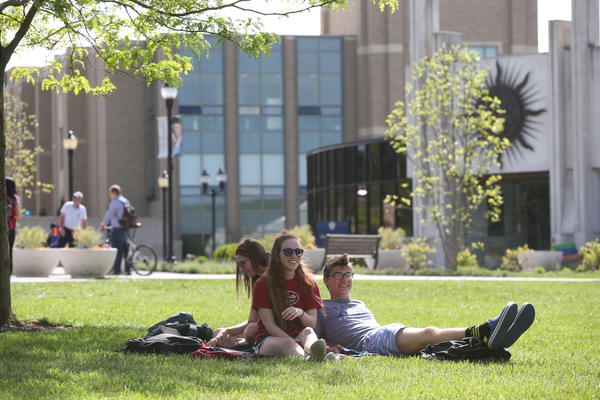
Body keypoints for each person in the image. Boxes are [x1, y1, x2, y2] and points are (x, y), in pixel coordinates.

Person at [316, 254, 536, 356]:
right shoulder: (323, 309)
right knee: (430, 332)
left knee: (434, 343)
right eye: (338, 275)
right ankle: (484, 330)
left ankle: (493, 340)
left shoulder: (359, 303)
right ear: (326, 280)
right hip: (369, 342)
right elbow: (313, 338)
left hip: (382, 334)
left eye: (348, 274)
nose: (344, 279)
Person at [251, 231, 333, 361]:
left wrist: (300, 312)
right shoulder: (263, 284)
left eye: (298, 251)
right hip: (268, 339)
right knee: (288, 344)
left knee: (308, 332)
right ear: (277, 255)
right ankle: (315, 360)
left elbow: (311, 323)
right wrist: (293, 341)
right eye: (288, 252)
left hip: (298, 335)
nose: (294, 255)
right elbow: (270, 326)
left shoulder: (308, 283)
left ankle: (315, 356)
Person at [208, 238, 270, 348]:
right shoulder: (257, 282)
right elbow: (252, 320)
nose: (241, 270)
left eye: (243, 263)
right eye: (238, 265)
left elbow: (256, 325)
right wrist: (226, 331)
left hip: (278, 330)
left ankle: (240, 343)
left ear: (255, 257)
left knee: (248, 331)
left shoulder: (272, 278)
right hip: (262, 329)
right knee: (218, 332)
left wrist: (239, 336)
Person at [99, 184, 131, 275]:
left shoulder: (115, 202)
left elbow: (108, 214)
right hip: (126, 228)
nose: (110, 195)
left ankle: (117, 270)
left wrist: (102, 224)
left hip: (117, 229)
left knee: (117, 250)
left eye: (110, 193)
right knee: (126, 249)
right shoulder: (125, 201)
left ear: (113, 193)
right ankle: (128, 270)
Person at [6, 177, 21, 275]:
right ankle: (8, 274)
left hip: (3, 228)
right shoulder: (15, 199)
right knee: (9, 252)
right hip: (11, 229)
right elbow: (18, 215)